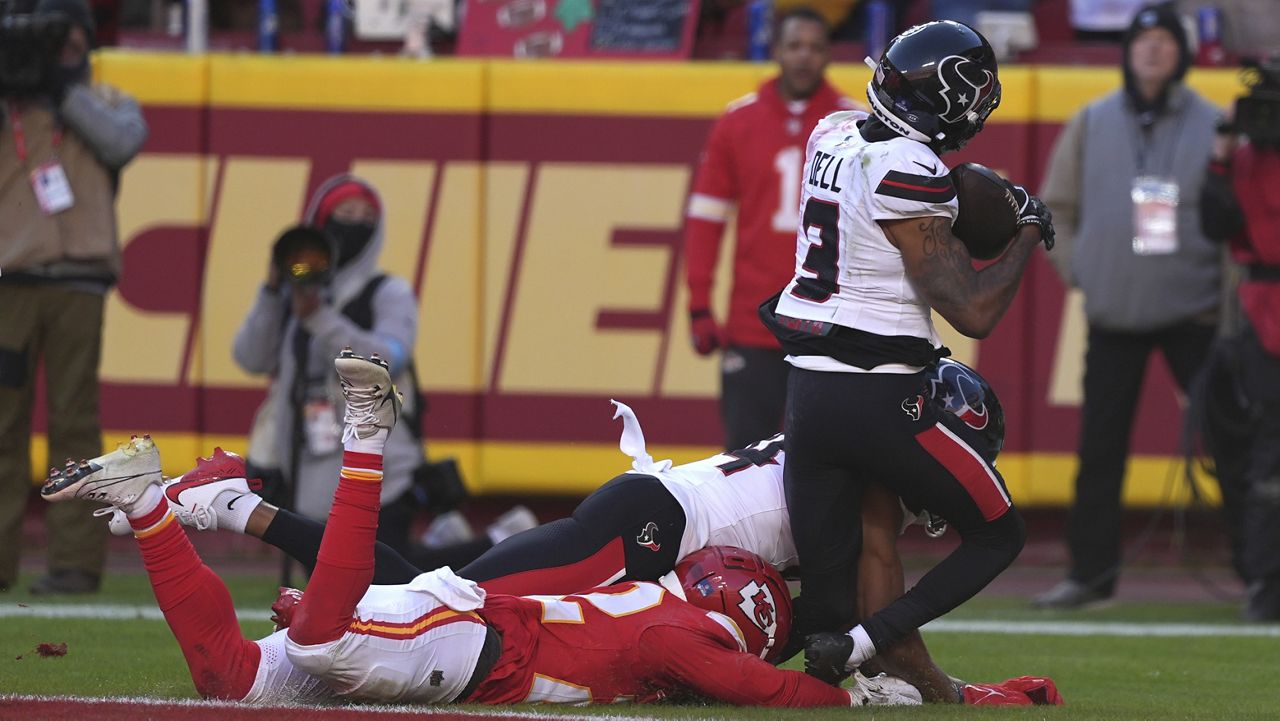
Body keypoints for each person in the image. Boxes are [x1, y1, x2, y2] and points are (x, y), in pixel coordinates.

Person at [106, 360, 1061, 705]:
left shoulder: (854, 432)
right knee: (452, 592)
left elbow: (844, 615)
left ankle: (241, 506)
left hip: (664, 536)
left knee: (445, 595)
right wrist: (939, 687)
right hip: (652, 530)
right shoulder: (876, 487)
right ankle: (240, 503)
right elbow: (879, 599)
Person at [756, 19, 1054, 683]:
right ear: (944, 99)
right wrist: (1029, 228)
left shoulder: (829, 131)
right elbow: (972, 310)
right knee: (998, 531)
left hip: (806, 393)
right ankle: (869, 644)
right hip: (880, 395)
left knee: (827, 603)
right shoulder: (910, 169)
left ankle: (702, 656)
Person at [1033, 2, 1225, 610]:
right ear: (1126, 50)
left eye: (1166, 42)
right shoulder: (1092, 121)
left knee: (1233, 443)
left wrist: (1224, 298)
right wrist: (1081, 272)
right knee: (1100, 448)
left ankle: (1263, 577)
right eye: (1143, 41)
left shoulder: (1215, 123)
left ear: (1182, 54)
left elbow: (1232, 219)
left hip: (1195, 311)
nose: (1153, 51)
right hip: (1115, 310)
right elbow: (1054, 207)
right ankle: (1089, 577)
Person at [0, 0, 148, 594]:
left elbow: (122, 142)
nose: (57, 54)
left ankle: (75, 563)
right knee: (3, 427)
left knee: (74, 427)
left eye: (66, 42)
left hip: (77, 283)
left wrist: (63, 90)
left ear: (85, 44)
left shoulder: (104, 101)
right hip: (10, 282)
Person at [683, 7, 857, 450]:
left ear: (829, 56)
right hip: (753, 322)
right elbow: (706, 219)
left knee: (828, 460)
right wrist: (699, 303)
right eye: (795, 46)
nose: (804, 57)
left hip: (828, 323)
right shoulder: (738, 121)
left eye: (816, 48)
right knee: (744, 457)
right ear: (775, 49)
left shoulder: (853, 125)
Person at [232, 176, 427, 552]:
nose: (355, 224)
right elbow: (251, 357)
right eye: (345, 213)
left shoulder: (388, 292)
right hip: (309, 469)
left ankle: (494, 544)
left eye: (366, 216)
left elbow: (387, 360)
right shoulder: (300, 290)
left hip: (378, 469)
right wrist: (273, 292)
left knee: (387, 582)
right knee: (332, 589)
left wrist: (320, 319)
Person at [1198, 56, 1280, 622]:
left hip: (1259, 309)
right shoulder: (1243, 159)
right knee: (1266, 449)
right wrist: (1221, 154)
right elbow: (1215, 222)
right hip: (1260, 312)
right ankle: (1266, 577)